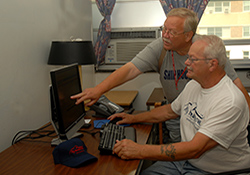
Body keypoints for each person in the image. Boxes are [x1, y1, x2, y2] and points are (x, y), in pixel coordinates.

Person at [71, 8, 250, 143]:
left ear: (188, 35)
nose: (165, 35)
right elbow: (131, 69)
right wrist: (98, 90)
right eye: (164, 29)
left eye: (172, 32)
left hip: (207, 115)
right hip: (174, 113)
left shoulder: (206, 50)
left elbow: (236, 85)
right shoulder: (161, 47)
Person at [108, 34, 250, 174]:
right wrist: (133, 118)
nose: (186, 62)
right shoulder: (194, 85)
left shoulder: (230, 102)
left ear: (212, 64)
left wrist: (139, 150)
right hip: (186, 160)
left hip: (215, 170)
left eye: (192, 59)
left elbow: (195, 149)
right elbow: (170, 111)